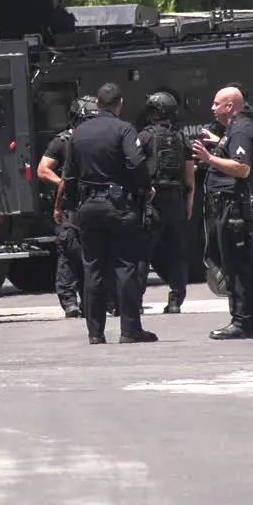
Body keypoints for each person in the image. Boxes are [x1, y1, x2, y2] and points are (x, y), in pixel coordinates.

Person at [55, 83, 158, 345]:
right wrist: (145, 189)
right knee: (125, 267)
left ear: (97, 104)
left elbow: (69, 175)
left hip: (87, 208)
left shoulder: (77, 134)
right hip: (119, 205)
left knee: (93, 268)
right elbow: (135, 163)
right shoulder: (124, 128)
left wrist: (68, 206)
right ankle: (129, 329)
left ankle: (95, 332)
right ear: (119, 103)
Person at [191, 86, 253, 340]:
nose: (212, 108)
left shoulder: (242, 129)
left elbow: (242, 168)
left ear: (230, 106)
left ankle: (242, 321)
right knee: (241, 265)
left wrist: (208, 158)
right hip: (233, 206)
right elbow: (235, 151)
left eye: (216, 104)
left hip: (234, 208)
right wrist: (217, 143)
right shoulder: (234, 130)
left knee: (236, 267)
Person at [37, 96, 114, 319]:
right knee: (69, 254)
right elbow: (43, 170)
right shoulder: (62, 141)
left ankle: (100, 299)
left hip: (94, 202)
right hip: (70, 205)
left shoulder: (97, 140)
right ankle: (70, 303)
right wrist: (62, 183)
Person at [136, 92, 195, 314]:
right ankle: (175, 300)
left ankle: (137, 301)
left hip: (153, 201)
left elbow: (135, 166)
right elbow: (190, 177)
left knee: (143, 253)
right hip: (177, 201)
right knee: (176, 253)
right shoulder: (182, 138)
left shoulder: (144, 137)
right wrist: (189, 202)